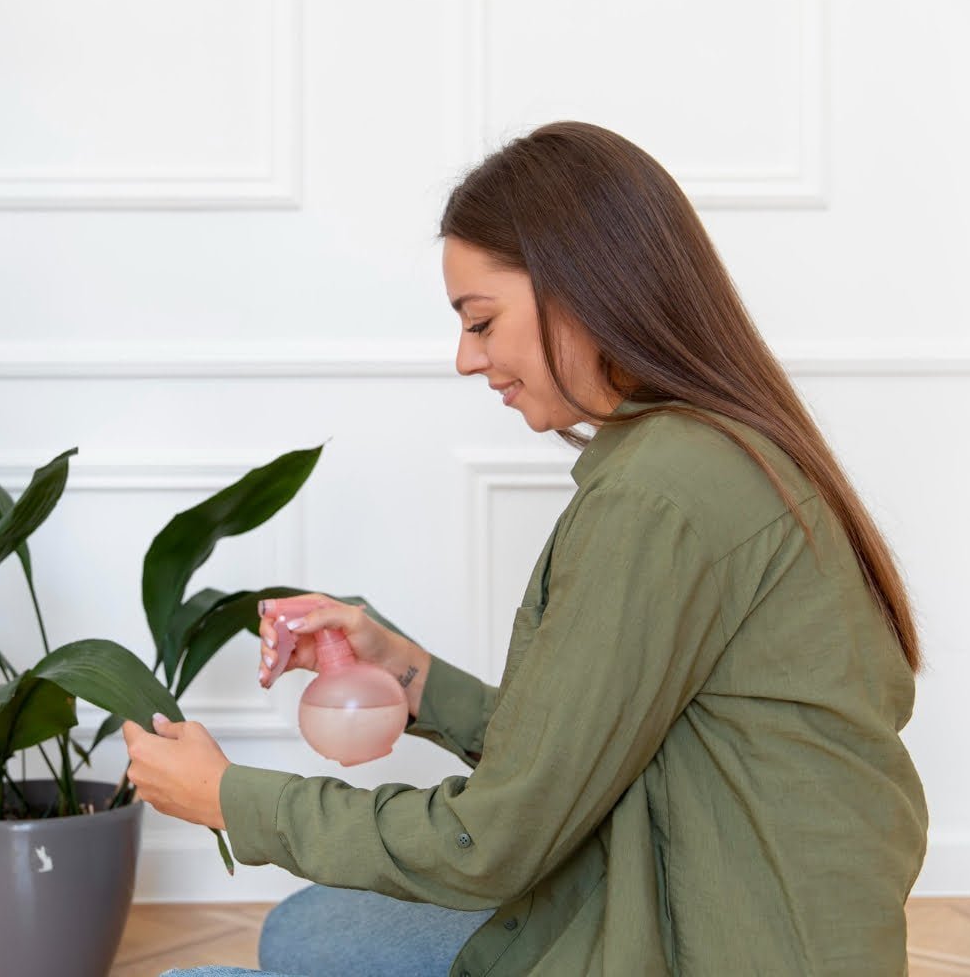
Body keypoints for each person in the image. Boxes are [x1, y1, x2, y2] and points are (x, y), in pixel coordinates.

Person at [121, 120, 928, 976]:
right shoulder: (701, 452)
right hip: (684, 883)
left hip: (692, 941)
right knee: (310, 930)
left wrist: (227, 799)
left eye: (481, 321)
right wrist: (408, 672)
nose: (467, 359)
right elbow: (581, 751)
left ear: (585, 287)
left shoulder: (659, 498)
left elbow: (490, 842)